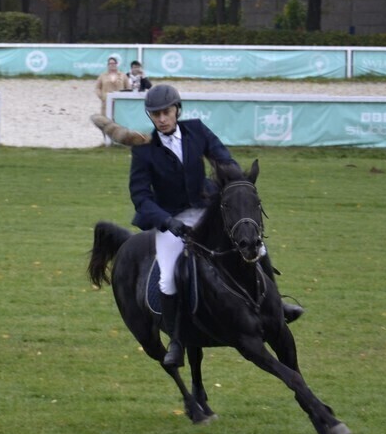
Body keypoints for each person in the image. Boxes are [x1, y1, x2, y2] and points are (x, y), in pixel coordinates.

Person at [129, 84, 302, 367]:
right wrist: (166, 221)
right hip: (172, 219)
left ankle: (276, 304)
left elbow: (222, 157)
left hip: (206, 209)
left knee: (255, 244)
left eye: (167, 112)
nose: (162, 118)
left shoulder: (197, 130)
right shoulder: (144, 152)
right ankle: (175, 339)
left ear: (177, 110)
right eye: (156, 114)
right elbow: (141, 197)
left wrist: (235, 182)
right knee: (168, 276)